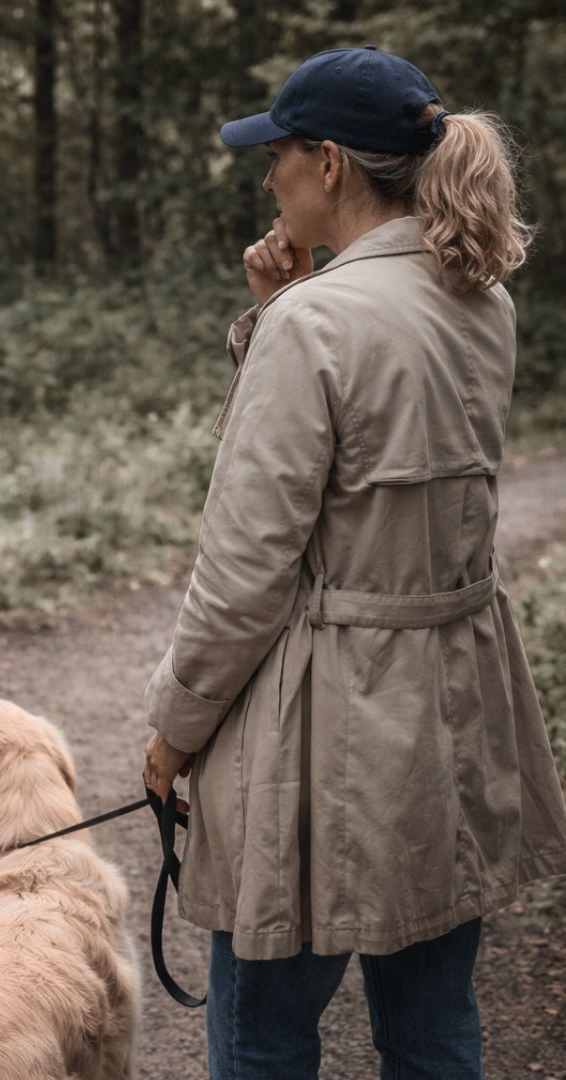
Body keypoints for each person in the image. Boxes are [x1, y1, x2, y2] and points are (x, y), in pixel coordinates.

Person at [141, 44, 566, 1080]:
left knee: (264, 1040)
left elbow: (249, 564)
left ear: (329, 164)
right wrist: (278, 313)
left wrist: (174, 728)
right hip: (451, 718)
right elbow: (375, 470)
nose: (268, 176)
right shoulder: (480, 301)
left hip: (324, 738)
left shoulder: (317, 321)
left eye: (278, 155)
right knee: (431, 1034)